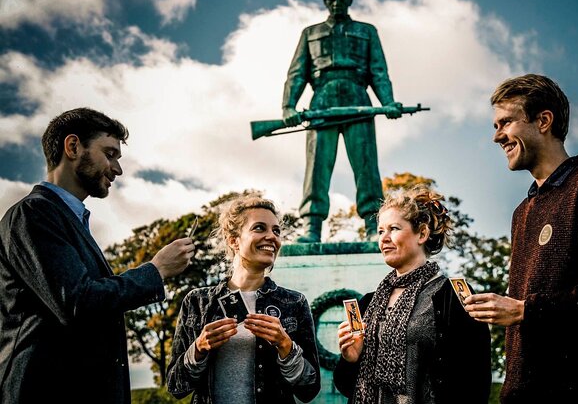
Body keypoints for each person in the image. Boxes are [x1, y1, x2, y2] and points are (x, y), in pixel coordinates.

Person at [464, 74, 578, 403]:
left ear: (543, 121)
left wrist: (526, 311)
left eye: (505, 122)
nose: (497, 137)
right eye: (495, 126)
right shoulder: (522, 212)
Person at [0, 108, 195, 404]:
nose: (117, 169)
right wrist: (156, 270)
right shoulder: (33, 214)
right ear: (73, 147)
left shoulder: (69, 220)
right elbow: (79, 301)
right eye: (110, 154)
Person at [334, 186, 491, 404]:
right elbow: (345, 385)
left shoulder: (453, 297)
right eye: (380, 231)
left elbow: (475, 380)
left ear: (422, 234)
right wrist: (350, 359)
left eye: (394, 229)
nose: (384, 238)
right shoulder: (368, 303)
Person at [282, 0, 403, 243]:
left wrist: (388, 103)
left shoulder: (366, 31)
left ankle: (374, 227)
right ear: (325, 2)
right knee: (316, 167)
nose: (336, 2)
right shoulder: (310, 34)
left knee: (366, 165)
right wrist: (288, 106)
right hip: (322, 99)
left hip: (357, 98)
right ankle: (311, 227)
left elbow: (379, 72)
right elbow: (297, 74)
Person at [166, 194, 320, 404]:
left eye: (276, 231)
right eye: (259, 228)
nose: (272, 237)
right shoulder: (196, 302)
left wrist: (285, 345)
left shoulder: (294, 303)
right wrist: (199, 348)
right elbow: (175, 387)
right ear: (234, 241)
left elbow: (309, 390)